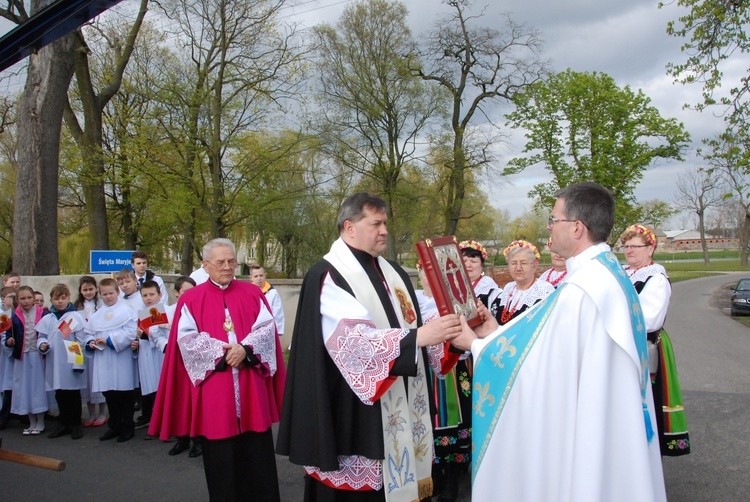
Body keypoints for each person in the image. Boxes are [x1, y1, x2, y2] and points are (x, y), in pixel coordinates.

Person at [455, 182, 666, 501]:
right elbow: (543, 337)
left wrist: (475, 345)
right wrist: (494, 331)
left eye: (554, 220)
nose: (549, 227)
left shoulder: (584, 288)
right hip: (611, 416)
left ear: (577, 228)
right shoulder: (607, 274)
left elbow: (542, 368)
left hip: (595, 419)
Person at [277, 192, 469, 502]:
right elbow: (353, 344)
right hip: (354, 411)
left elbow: (410, 318)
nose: (384, 231)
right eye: (376, 223)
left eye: (385, 223)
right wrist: (419, 337)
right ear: (349, 227)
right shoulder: (329, 275)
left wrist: (452, 322)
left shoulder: (390, 270)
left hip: (399, 398)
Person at [149, 238, 286, 501]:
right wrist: (224, 354)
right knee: (221, 457)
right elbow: (186, 340)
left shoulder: (253, 293)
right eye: (220, 262)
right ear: (205, 265)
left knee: (257, 455)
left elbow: (267, 330)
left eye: (231, 261)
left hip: (249, 384)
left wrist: (245, 350)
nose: (226, 266)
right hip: (216, 385)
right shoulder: (191, 298)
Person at [621, 223, 690, 456]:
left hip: (645, 345)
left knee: (646, 400)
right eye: (626, 246)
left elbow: (650, 319)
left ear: (650, 249)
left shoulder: (656, 278)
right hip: (624, 343)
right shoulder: (623, 273)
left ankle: (647, 454)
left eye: (636, 246)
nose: (629, 250)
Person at [84, 278, 139, 443]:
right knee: (110, 395)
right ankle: (114, 426)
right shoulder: (96, 315)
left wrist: (108, 340)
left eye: (111, 293)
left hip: (121, 358)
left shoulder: (127, 310)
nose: (108, 297)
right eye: (104, 294)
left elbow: (131, 332)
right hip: (103, 360)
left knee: (124, 395)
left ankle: (127, 427)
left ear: (117, 292)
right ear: (100, 295)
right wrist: (90, 343)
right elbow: (88, 334)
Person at [37, 284, 87, 440]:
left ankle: (75, 423)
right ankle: (64, 423)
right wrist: (42, 345)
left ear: (69, 297)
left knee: (72, 393)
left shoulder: (75, 317)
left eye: (63, 298)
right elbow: (41, 337)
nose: (60, 302)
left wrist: (78, 363)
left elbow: (80, 340)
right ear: (51, 299)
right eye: (56, 298)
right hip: (55, 361)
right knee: (60, 393)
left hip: (70, 359)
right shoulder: (48, 318)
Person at [162, 276, 202, 458]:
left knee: (195, 401)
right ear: (176, 293)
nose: (190, 295)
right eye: (186, 291)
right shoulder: (167, 311)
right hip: (176, 358)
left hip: (195, 361)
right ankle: (182, 438)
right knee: (179, 400)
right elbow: (153, 330)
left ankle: (198, 440)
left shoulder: (200, 307)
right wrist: (165, 343)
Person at [2, 285, 49, 435]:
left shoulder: (43, 313)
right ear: (17, 300)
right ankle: (31, 421)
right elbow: (8, 335)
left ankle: (40, 421)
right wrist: (9, 341)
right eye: (22, 298)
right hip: (22, 357)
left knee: (37, 387)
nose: (26, 301)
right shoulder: (13, 316)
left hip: (38, 356)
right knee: (24, 388)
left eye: (29, 298)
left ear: (34, 299)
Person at [132, 280, 169, 432]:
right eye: (145, 295)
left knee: (159, 386)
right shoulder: (143, 313)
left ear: (159, 295)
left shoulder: (164, 311)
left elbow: (161, 334)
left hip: (159, 355)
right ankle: (149, 416)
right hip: (145, 354)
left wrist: (147, 336)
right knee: (147, 386)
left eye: (152, 294)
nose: (148, 298)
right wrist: (137, 341)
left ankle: (162, 421)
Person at [491, 240, 555, 325]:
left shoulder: (544, 291)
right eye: (513, 263)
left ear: (534, 266)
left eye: (523, 263)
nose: (518, 268)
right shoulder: (507, 290)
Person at [74, 276, 108, 427]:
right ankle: (91, 413)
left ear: (96, 289)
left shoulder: (101, 305)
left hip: (98, 344)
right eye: (85, 290)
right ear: (80, 291)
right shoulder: (76, 307)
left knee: (98, 380)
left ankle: (102, 413)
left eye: (90, 289)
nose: (88, 292)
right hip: (83, 346)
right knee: (86, 382)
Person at [250, 264, 285, 338]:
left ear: (265, 275)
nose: (259, 279)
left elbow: (278, 313)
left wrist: (277, 332)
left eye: (261, 275)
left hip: (269, 330)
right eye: (256, 276)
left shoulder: (273, 293)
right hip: (252, 330)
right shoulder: (247, 293)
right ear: (251, 278)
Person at [0, 286, 17, 429]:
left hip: (19, 354)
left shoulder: (17, 314)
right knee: (9, 384)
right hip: (7, 356)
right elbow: (4, 335)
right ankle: (5, 414)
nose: (13, 299)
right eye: (10, 296)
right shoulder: (4, 315)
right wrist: (8, 344)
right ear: (3, 299)